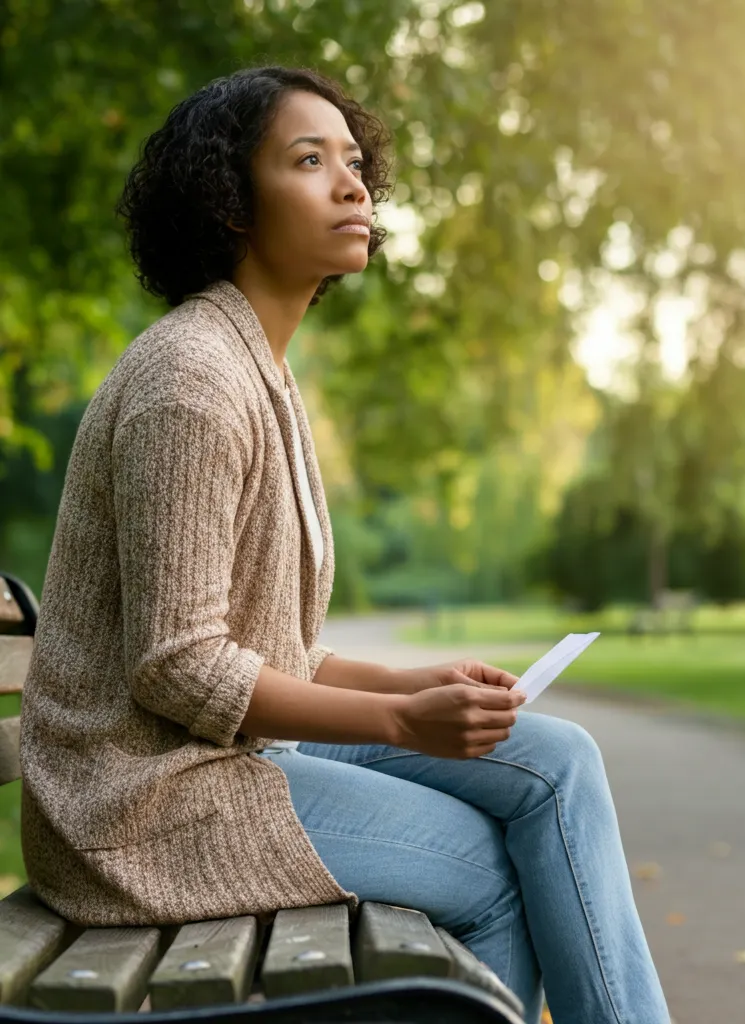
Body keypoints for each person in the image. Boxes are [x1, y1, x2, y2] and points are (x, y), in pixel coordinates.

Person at [19, 65, 670, 1024]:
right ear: (231, 201)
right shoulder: (192, 383)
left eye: (355, 162)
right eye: (310, 160)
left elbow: (274, 649)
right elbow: (178, 668)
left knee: (556, 760)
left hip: (222, 766)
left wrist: (419, 684)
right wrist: (406, 727)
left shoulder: (261, 372)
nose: (353, 186)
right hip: (139, 811)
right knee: (496, 869)